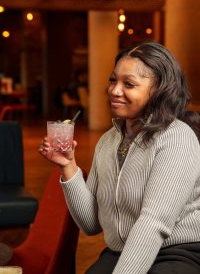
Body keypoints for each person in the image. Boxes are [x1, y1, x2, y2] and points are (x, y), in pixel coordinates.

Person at [39, 42, 200, 274]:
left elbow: (153, 223)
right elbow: (90, 224)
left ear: (159, 90)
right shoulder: (108, 141)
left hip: (179, 253)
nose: (114, 90)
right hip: (122, 250)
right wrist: (68, 165)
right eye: (113, 80)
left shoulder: (176, 138)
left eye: (129, 84)